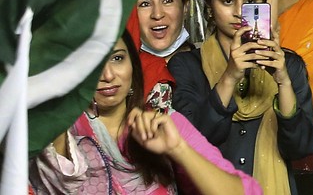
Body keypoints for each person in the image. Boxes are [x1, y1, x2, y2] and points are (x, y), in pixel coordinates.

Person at [30, 32, 260, 194]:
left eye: (117, 58)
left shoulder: (163, 123)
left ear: (133, 65)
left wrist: (177, 149)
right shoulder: (61, 130)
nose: (108, 75)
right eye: (93, 65)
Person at [169, 0, 313, 194]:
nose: (240, 11)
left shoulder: (288, 65)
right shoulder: (186, 66)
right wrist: (229, 76)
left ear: (264, 3)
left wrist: (283, 83)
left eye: (251, 1)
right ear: (209, 4)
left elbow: (301, 146)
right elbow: (190, 143)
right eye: (227, 1)